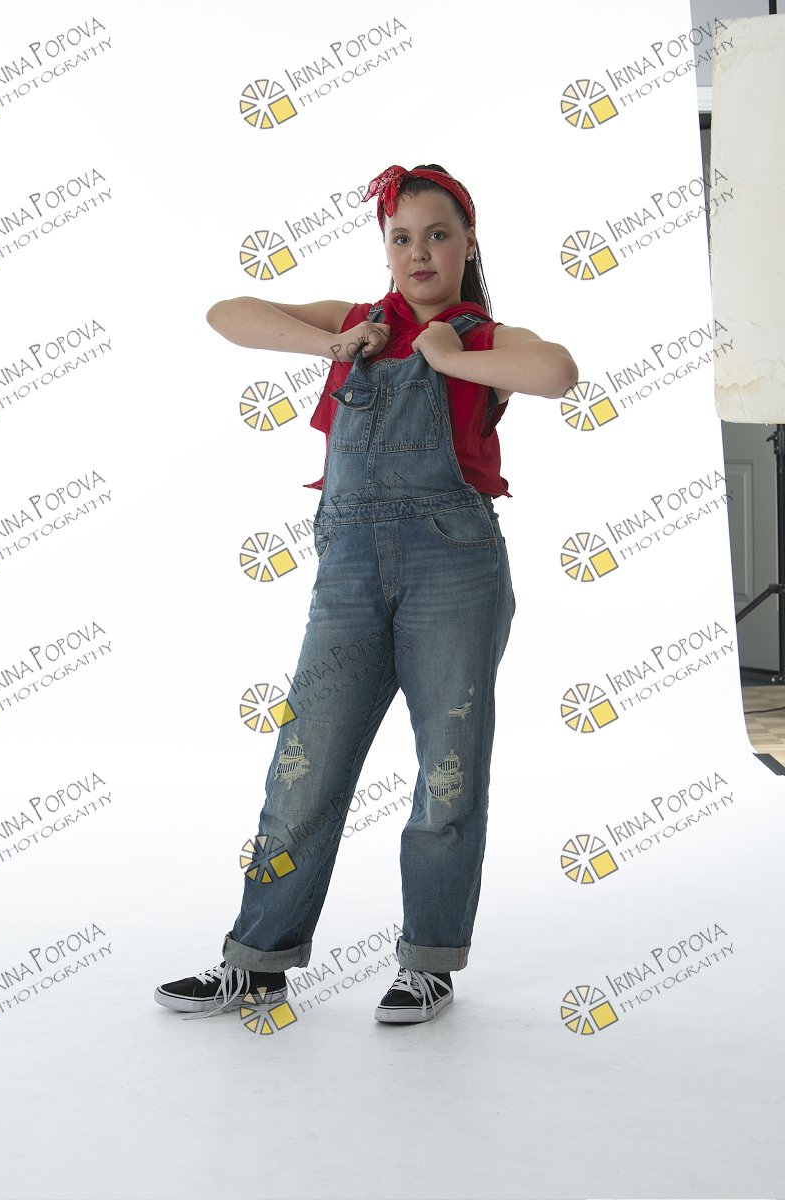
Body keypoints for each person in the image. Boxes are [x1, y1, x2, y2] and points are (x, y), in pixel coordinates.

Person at [154, 163, 578, 1025]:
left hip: (453, 570)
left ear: (468, 244)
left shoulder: (483, 338)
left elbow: (559, 372)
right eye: (402, 237)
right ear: (385, 248)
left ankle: (428, 965)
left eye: (438, 235)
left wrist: (452, 358)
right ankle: (256, 964)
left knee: (447, 774)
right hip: (348, 572)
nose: (419, 253)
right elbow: (227, 313)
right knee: (303, 766)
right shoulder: (356, 322)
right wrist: (330, 346)